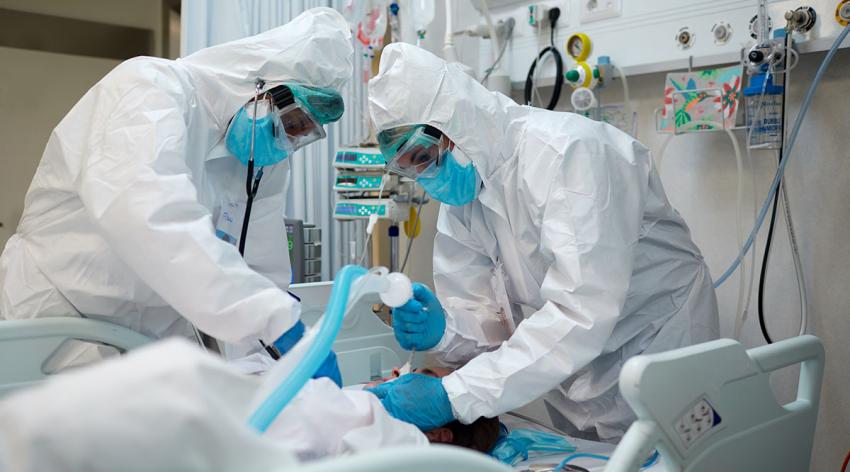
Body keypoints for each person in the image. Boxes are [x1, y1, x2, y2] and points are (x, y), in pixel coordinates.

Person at [367, 43, 720, 441]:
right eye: (408, 167)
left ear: (455, 122)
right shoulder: (464, 198)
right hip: (573, 381)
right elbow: (495, 323)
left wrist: (452, 395)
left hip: (655, 350)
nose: (423, 174)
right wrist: (445, 329)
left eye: (422, 156)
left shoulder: (569, 154)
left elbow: (581, 313)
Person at [0, 8, 351, 377]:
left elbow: (259, 267)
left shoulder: (261, 159)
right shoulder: (149, 88)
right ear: (260, 85)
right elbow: (150, 216)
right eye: (294, 121)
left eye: (305, 131)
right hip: (60, 318)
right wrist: (272, 318)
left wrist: (285, 354)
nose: (292, 139)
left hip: (148, 338)